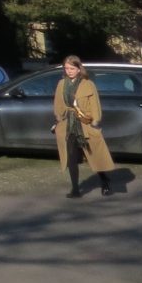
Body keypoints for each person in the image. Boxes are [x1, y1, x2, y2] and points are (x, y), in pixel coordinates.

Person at [53, 56, 116, 198]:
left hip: (85, 123)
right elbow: (58, 103)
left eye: (72, 68)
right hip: (68, 124)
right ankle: (75, 189)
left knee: (94, 155)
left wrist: (95, 121)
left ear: (79, 68)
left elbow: (95, 104)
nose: (69, 71)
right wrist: (59, 117)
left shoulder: (88, 84)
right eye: (66, 68)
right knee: (71, 157)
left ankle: (104, 180)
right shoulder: (61, 84)